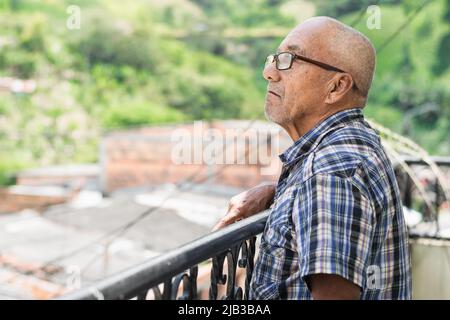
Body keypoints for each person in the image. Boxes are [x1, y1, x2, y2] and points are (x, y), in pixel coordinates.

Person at [212, 16, 411, 300]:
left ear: (336, 87)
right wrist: (277, 193)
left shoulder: (331, 172)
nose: (269, 71)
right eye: (274, 58)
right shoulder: (352, 143)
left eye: (289, 59)